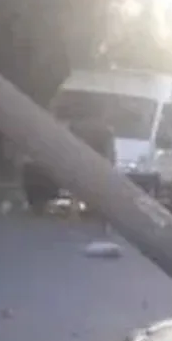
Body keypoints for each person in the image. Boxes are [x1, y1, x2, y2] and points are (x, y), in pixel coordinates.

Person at [65, 110, 121, 257]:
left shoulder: (76, 127)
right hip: (99, 166)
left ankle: (73, 221)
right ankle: (105, 225)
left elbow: (70, 146)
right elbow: (110, 152)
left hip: (81, 164)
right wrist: (111, 166)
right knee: (103, 197)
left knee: (76, 193)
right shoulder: (106, 130)